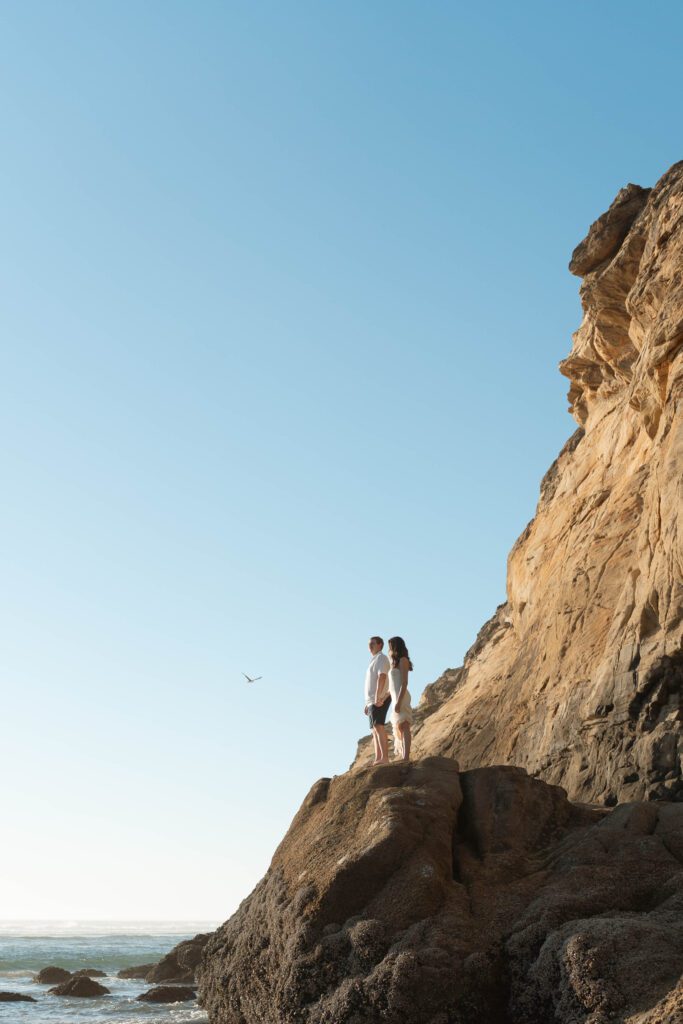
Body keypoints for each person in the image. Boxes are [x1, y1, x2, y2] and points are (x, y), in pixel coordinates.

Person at [364, 636, 391, 765]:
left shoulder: (381, 658)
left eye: (373, 644)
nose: (370, 646)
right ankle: (378, 758)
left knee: (378, 726)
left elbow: (382, 676)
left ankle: (384, 758)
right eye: (369, 644)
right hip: (371, 700)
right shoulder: (374, 660)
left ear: (380, 645)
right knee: (374, 729)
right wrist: (367, 703)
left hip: (379, 698)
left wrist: (377, 696)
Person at [388, 636, 413, 761]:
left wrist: (398, 701)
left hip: (401, 696)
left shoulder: (403, 660)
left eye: (390, 647)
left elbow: (404, 683)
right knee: (399, 727)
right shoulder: (394, 663)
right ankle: (403, 755)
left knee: (404, 725)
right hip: (395, 697)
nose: (389, 650)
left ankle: (406, 757)